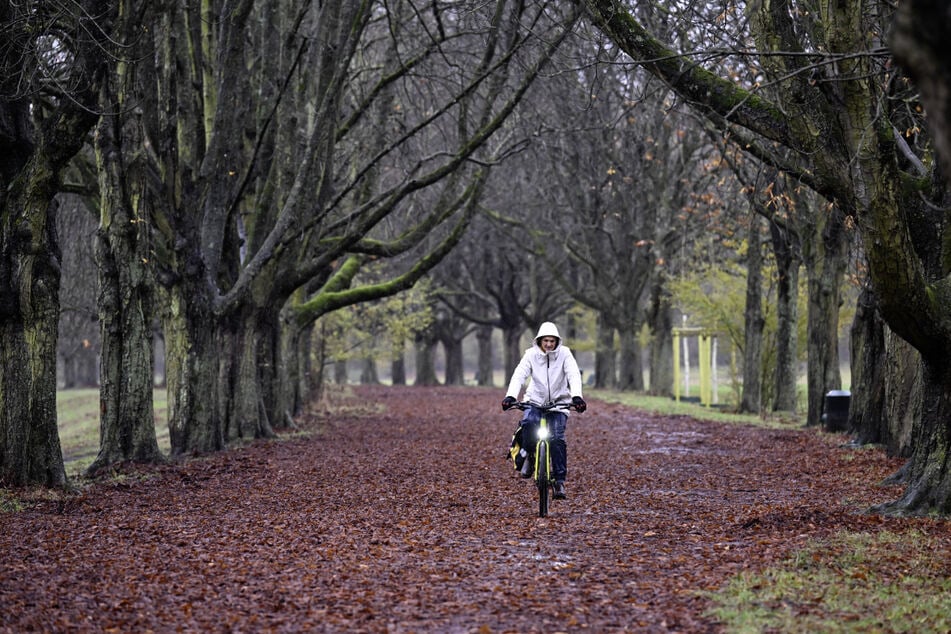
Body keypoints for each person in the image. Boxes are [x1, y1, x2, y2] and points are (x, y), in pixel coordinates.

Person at [502, 321, 586, 500]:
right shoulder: (530, 355)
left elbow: (573, 375)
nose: (549, 344)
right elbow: (519, 375)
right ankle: (530, 456)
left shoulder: (565, 354)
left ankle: (559, 481)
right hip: (535, 401)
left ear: (557, 341)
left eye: (552, 341)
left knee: (556, 438)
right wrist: (510, 396)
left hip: (559, 403)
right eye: (545, 340)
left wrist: (576, 397)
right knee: (528, 423)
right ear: (539, 340)